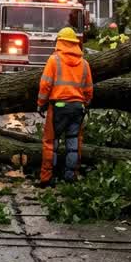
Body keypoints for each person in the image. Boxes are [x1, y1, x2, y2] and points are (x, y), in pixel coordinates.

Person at [36, 27, 93, 188]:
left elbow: (45, 85)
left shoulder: (54, 60)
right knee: (73, 143)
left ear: (60, 42)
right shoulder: (84, 64)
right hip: (78, 107)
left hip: (59, 107)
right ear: (75, 43)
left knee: (51, 143)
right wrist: (86, 104)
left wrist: (41, 104)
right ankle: (71, 177)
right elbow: (89, 89)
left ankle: (47, 178)